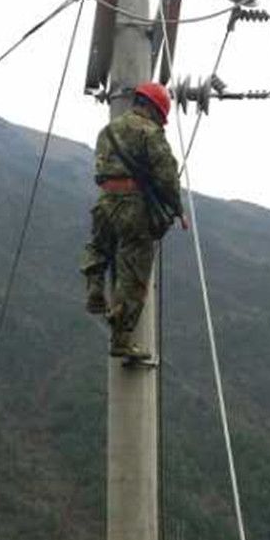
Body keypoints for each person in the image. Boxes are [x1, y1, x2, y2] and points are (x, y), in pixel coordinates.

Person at [81, 82, 186, 361]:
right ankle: (122, 339)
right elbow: (166, 176)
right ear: (155, 109)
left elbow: (100, 168)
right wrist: (177, 208)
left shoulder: (107, 131)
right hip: (132, 206)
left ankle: (94, 287)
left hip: (104, 201)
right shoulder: (150, 133)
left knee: (99, 247)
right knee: (133, 271)